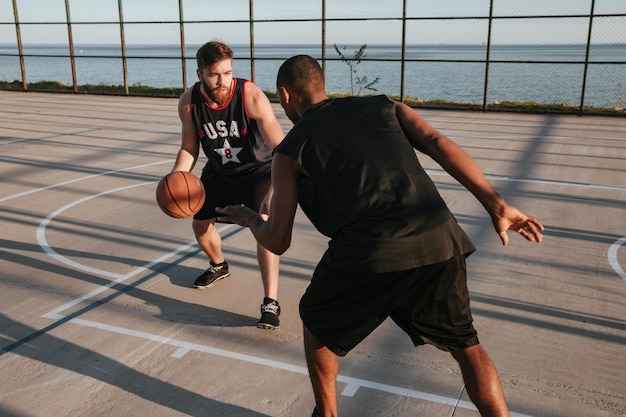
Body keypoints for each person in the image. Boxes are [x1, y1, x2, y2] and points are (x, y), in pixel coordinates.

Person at [216, 55, 544, 416]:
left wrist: (248, 217)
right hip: (438, 235)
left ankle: (326, 414)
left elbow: (278, 241)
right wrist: (496, 205)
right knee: (467, 345)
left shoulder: (291, 149)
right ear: (322, 85)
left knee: (315, 319)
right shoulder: (385, 106)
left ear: (285, 94)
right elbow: (435, 141)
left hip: (370, 249)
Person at [171, 40, 285, 329]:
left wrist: (275, 190)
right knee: (200, 225)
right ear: (200, 74)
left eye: (228, 72)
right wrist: (177, 178)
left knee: (265, 227)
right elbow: (189, 148)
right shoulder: (189, 103)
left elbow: (281, 149)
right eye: (215, 74)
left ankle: (270, 301)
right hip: (220, 171)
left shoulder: (249, 95)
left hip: (259, 170)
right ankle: (219, 265)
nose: (223, 81)